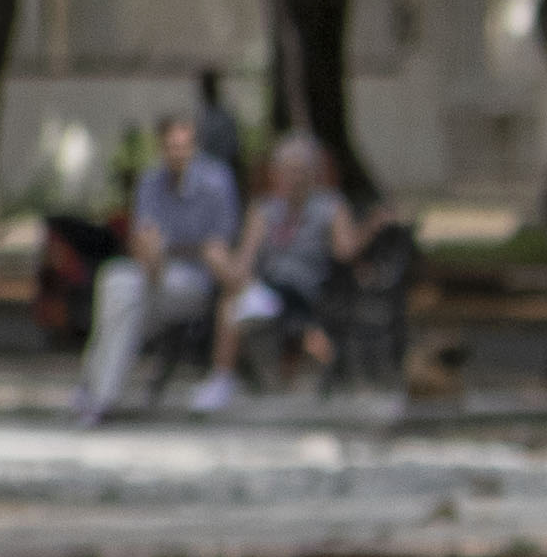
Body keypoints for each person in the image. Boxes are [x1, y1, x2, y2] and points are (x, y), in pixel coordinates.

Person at [69, 115, 238, 427]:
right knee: (116, 281)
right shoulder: (150, 182)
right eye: (172, 147)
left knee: (123, 297)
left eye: (184, 146)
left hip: (195, 281)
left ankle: (91, 389)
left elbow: (218, 248)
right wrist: (154, 255)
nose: (178, 153)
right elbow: (144, 242)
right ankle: (100, 397)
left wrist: (174, 249)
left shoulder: (216, 181)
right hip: (153, 278)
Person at [196, 134, 370, 410]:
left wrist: (371, 228)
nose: (294, 178)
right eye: (287, 171)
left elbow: (345, 251)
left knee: (232, 302)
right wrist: (222, 262)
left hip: (305, 290)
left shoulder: (330, 206)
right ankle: (224, 374)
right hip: (266, 285)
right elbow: (245, 260)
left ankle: (222, 377)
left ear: (313, 174)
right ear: (276, 174)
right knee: (219, 261)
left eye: (300, 171)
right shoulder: (264, 209)